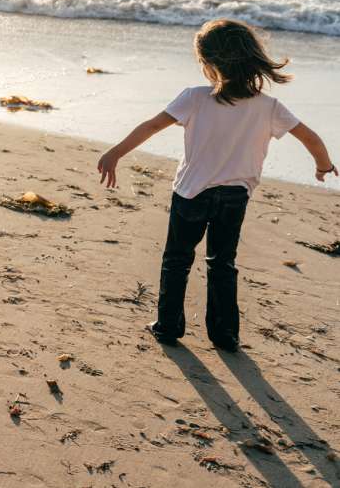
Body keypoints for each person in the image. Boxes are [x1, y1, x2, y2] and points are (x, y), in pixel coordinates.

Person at [97, 18, 335, 351]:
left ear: (209, 63)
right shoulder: (268, 107)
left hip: (191, 193)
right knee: (222, 263)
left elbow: (151, 126)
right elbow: (310, 137)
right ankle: (225, 335)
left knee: (177, 259)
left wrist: (115, 153)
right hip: (235, 197)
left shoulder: (194, 98)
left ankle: (168, 326)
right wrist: (323, 165)